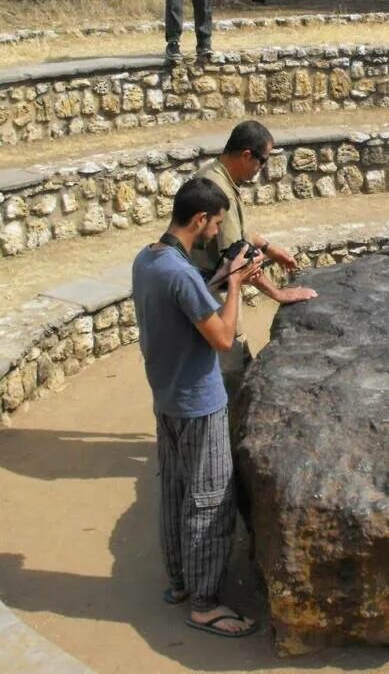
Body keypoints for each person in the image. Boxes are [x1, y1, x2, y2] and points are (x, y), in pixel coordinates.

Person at [131, 176, 265, 638]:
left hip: (166, 398)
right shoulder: (182, 274)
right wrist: (235, 288)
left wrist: (221, 277)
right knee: (210, 500)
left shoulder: (148, 259)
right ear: (200, 218)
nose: (216, 234)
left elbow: (183, 305)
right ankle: (206, 604)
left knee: (174, 490)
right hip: (199, 404)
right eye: (215, 224)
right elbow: (223, 337)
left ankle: (180, 583)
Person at [190, 120, 318, 384]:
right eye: (262, 161)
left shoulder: (214, 175)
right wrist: (278, 293)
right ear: (247, 155)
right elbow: (237, 260)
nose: (261, 169)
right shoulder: (218, 190)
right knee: (234, 376)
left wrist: (270, 248)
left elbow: (238, 232)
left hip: (208, 291)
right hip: (214, 298)